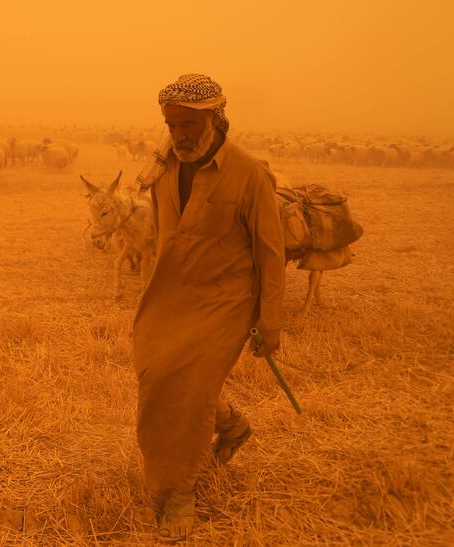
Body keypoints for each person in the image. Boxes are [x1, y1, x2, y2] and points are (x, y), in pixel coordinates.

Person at [132, 74, 285, 542]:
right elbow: (160, 239)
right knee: (157, 378)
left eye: (188, 123)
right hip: (170, 294)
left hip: (226, 301)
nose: (179, 133)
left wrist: (270, 319)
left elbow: (269, 250)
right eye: (171, 123)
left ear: (216, 119)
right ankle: (233, 426)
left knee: (193, 389)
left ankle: (178, 492)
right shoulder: (161, 170)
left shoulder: (248, 174)